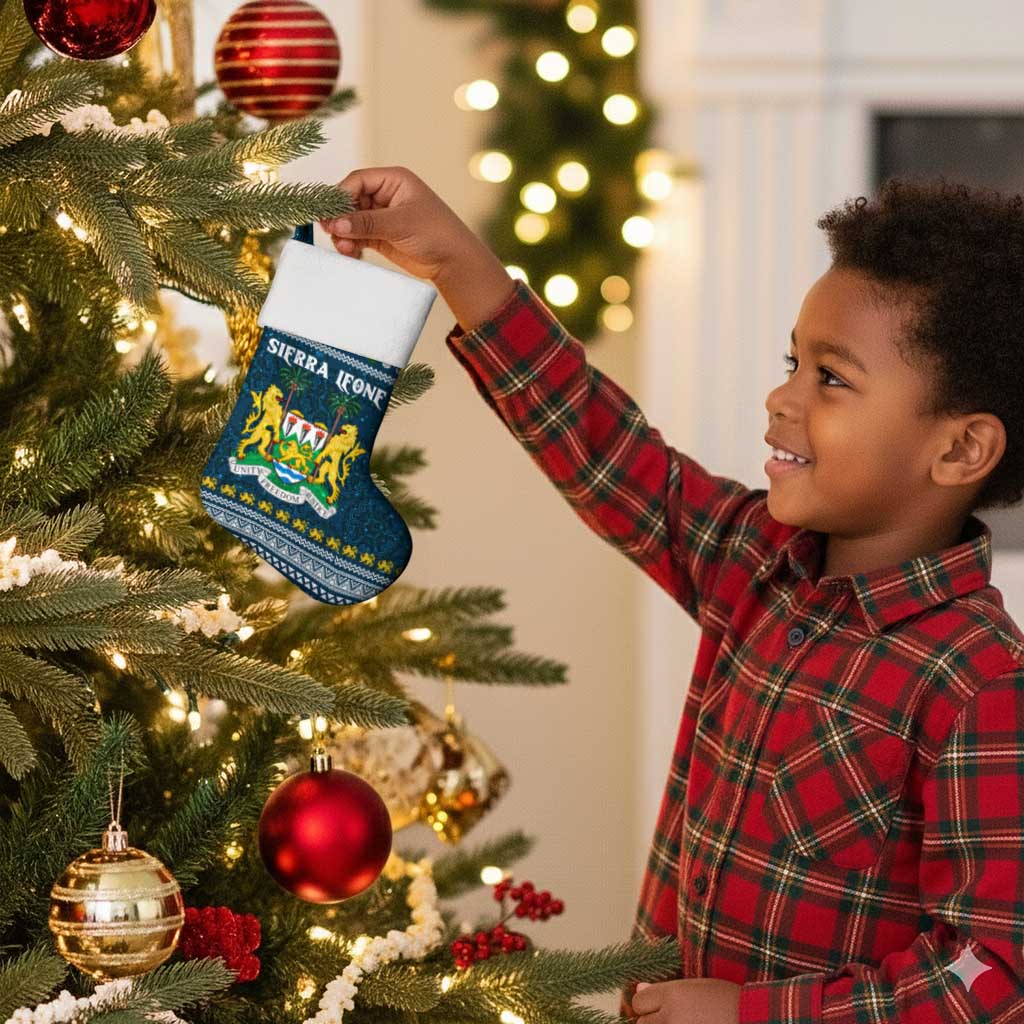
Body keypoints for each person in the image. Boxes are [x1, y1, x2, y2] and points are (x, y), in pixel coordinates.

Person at [321, 169, 1024, 1024]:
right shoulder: (757, 565)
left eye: (831, 380)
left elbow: (986, 982)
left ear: (960, 450)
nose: (783, 397)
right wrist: (460, 266)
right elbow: (607, 453)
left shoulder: (980, 683)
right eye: (791, 362)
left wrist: (751, 1015)